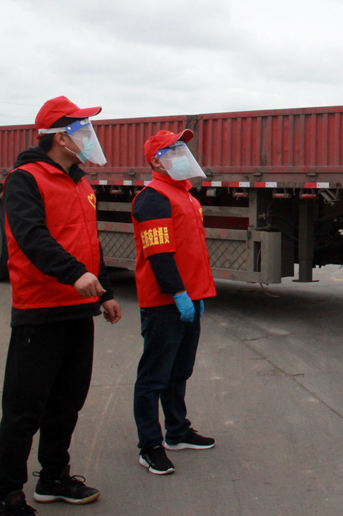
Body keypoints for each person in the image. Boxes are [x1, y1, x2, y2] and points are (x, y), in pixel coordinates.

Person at [0, 96, 122, 516]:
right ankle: (8, 495)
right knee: (23, 410)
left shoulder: (81, 183)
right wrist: (73, 273)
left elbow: (88, 243)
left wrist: (104, 292)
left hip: (78, 310)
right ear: (61, 138)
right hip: (40, 310)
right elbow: (32, 237)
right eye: (82, 128)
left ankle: (53, 477)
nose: (90, 136)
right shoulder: (24, 179)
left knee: (66, 404)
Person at [132, 129, 217, 475]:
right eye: (173, 150)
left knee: (179, 371)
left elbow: (192, 251)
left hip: (190, 299)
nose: (182, 155)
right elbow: (160, 255)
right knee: (154, 376)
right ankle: (149, 445)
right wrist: (179, 293)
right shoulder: (153, 198)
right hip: (165, 302)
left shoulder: (186, 196)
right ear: (156, 162)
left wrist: (197, 295)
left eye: (182, 149)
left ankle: (178, 432)